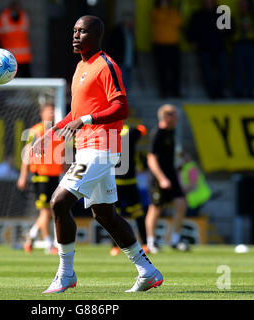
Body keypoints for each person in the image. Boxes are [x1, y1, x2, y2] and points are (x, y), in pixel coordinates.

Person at [31, 15, 163, 293]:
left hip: (100, 149)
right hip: (87, 148)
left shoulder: (106, 65)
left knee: (58, 202)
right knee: (105, 215)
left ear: (97, 36)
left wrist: (87, 119)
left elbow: (122, 107)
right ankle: (147, 270)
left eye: (82, 31)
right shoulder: (81, 66)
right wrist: (52, 131)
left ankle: (66, 274)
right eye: (74, 30)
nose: (75, 36)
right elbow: (76, 114)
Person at [17, 104, 64, 255]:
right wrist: (23, 176)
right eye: (48, 111)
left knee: (50, 211)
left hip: (54, 175)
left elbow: (61, 152)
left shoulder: (58, 131)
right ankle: (49, 245)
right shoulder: (36, 131)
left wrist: (63, 164)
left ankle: (30, 235)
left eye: (53, 110)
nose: (51, 113)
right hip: (41, 175)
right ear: (42, 113)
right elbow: (26, 154)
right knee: (46, 211)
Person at [146, 104, 189, 253]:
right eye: (175, 115)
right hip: (159, 176)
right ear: (167, 117)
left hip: (171, 173)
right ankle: (151, 242)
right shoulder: (157, 134)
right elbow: (151, 159)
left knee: (181, 204)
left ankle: (175, 240)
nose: (177, 118)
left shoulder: (172, 132)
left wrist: (182, 156)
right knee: (155, 208)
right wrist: (162, 178)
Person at [110, 124, 149, 256]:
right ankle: (144, 244)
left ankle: (115, 246)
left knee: (115, 216)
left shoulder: (110, 133)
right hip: (126, 181)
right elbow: (142, 129)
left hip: (118, 182)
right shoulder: (131, 132)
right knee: (137, 214)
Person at [186, 0, 232, 99]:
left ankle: (221, 92)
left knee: (223, 72)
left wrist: (225, 30)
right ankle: (211, 93)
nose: (209, 2)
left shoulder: (222, 13)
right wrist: (192, 41)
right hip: (204, 48)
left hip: (220, 48)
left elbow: (231, 30)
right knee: (207, 72)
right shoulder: (198, 14)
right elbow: (191, 29)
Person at [151, 0, 182, 98]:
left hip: (173, 44)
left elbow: (178, 21)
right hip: (160, 45)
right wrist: (166, 12)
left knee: (175, 70)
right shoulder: (156, 11)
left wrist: (169, 13)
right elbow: (160, 19)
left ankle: (175, 92)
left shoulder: (173, 11)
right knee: (162, 70)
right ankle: (163, 92)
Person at [232, 0, 254, 99]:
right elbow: (227, 32)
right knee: (238, 69)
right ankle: (238, 92)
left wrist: (249, 28)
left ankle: (250, 91)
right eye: (240, 5)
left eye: (244, 5)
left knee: (251, 70)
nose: (242, 7)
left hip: (251, 45)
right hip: (238, 45)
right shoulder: (233, 17)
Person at [0, 1, 32, 77]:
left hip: (23, 56)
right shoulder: (3, 17)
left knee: (27, 79)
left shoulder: (24, 16)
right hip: (9, 56)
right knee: (8, 80)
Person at [104, 14, 136, 91]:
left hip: (129, 62)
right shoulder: (117, 31)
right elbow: (112, 46)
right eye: (131, 20)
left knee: (127, 83)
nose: (132, 22)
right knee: (119, 83)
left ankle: (124, 100)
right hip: (119, 61)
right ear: (126, 21)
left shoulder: (130, 32)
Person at [176, 150, 212, 217]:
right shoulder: (182, 169)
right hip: (190, 200)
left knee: (190, 217)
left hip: (197, 198)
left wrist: (180, 190)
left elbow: (193, 185)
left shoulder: (191, 168)